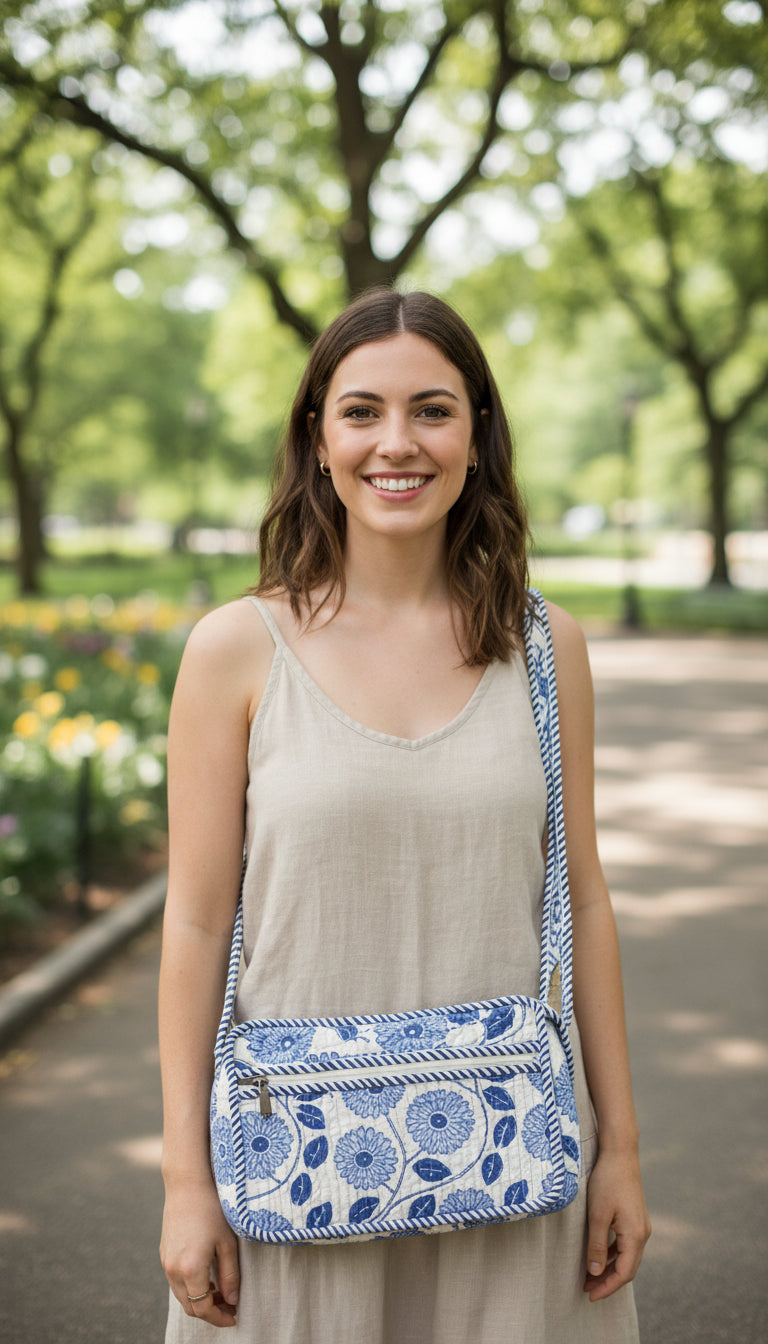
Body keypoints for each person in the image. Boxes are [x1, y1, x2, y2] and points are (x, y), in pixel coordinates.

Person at [159, 287, 651, 1343]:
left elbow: (584, 899)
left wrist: (621, 1149)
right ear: (317, 440)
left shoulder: (544, 648)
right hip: (295, 1166)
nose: (398, 442)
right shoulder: (234, 651)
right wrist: (186, 1181)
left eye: (433, 409)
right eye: (361, 411)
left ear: (477, 437)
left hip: (516, 1157)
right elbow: (196, 926)